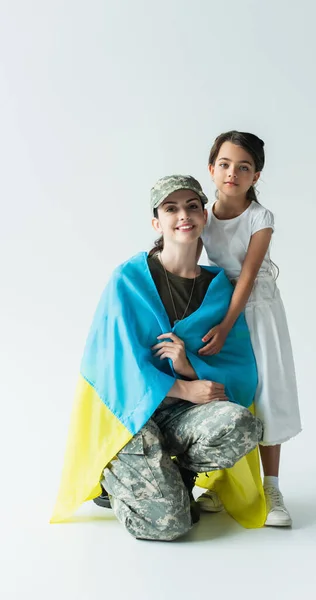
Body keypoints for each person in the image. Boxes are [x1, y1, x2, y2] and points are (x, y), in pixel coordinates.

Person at [51, 175, 266, 541]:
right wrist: (184, 386)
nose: (183, 215)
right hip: (130, 415)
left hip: (181, 415)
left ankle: (176, 473)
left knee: (242, 424)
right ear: (157, 222)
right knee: (171, 525)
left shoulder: (218, 289)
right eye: (171, 208)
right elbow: (112, 367)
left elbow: (239, 364)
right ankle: (114, 482)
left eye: (192, 206)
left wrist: (188, 366)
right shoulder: (128, 280)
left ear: (204, 216)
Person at [197, 131, 302, 527]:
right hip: (218, 309)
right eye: (224, 164)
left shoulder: (260, 218)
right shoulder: (203, 215)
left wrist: (227, 327)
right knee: (228, 393)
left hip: (256, 310)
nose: (232, 173)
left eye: (244, 167)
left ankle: (271, 488)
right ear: (211, 169)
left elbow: (246, 277)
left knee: (267, 391)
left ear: (256, 176)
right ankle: (221, 482)